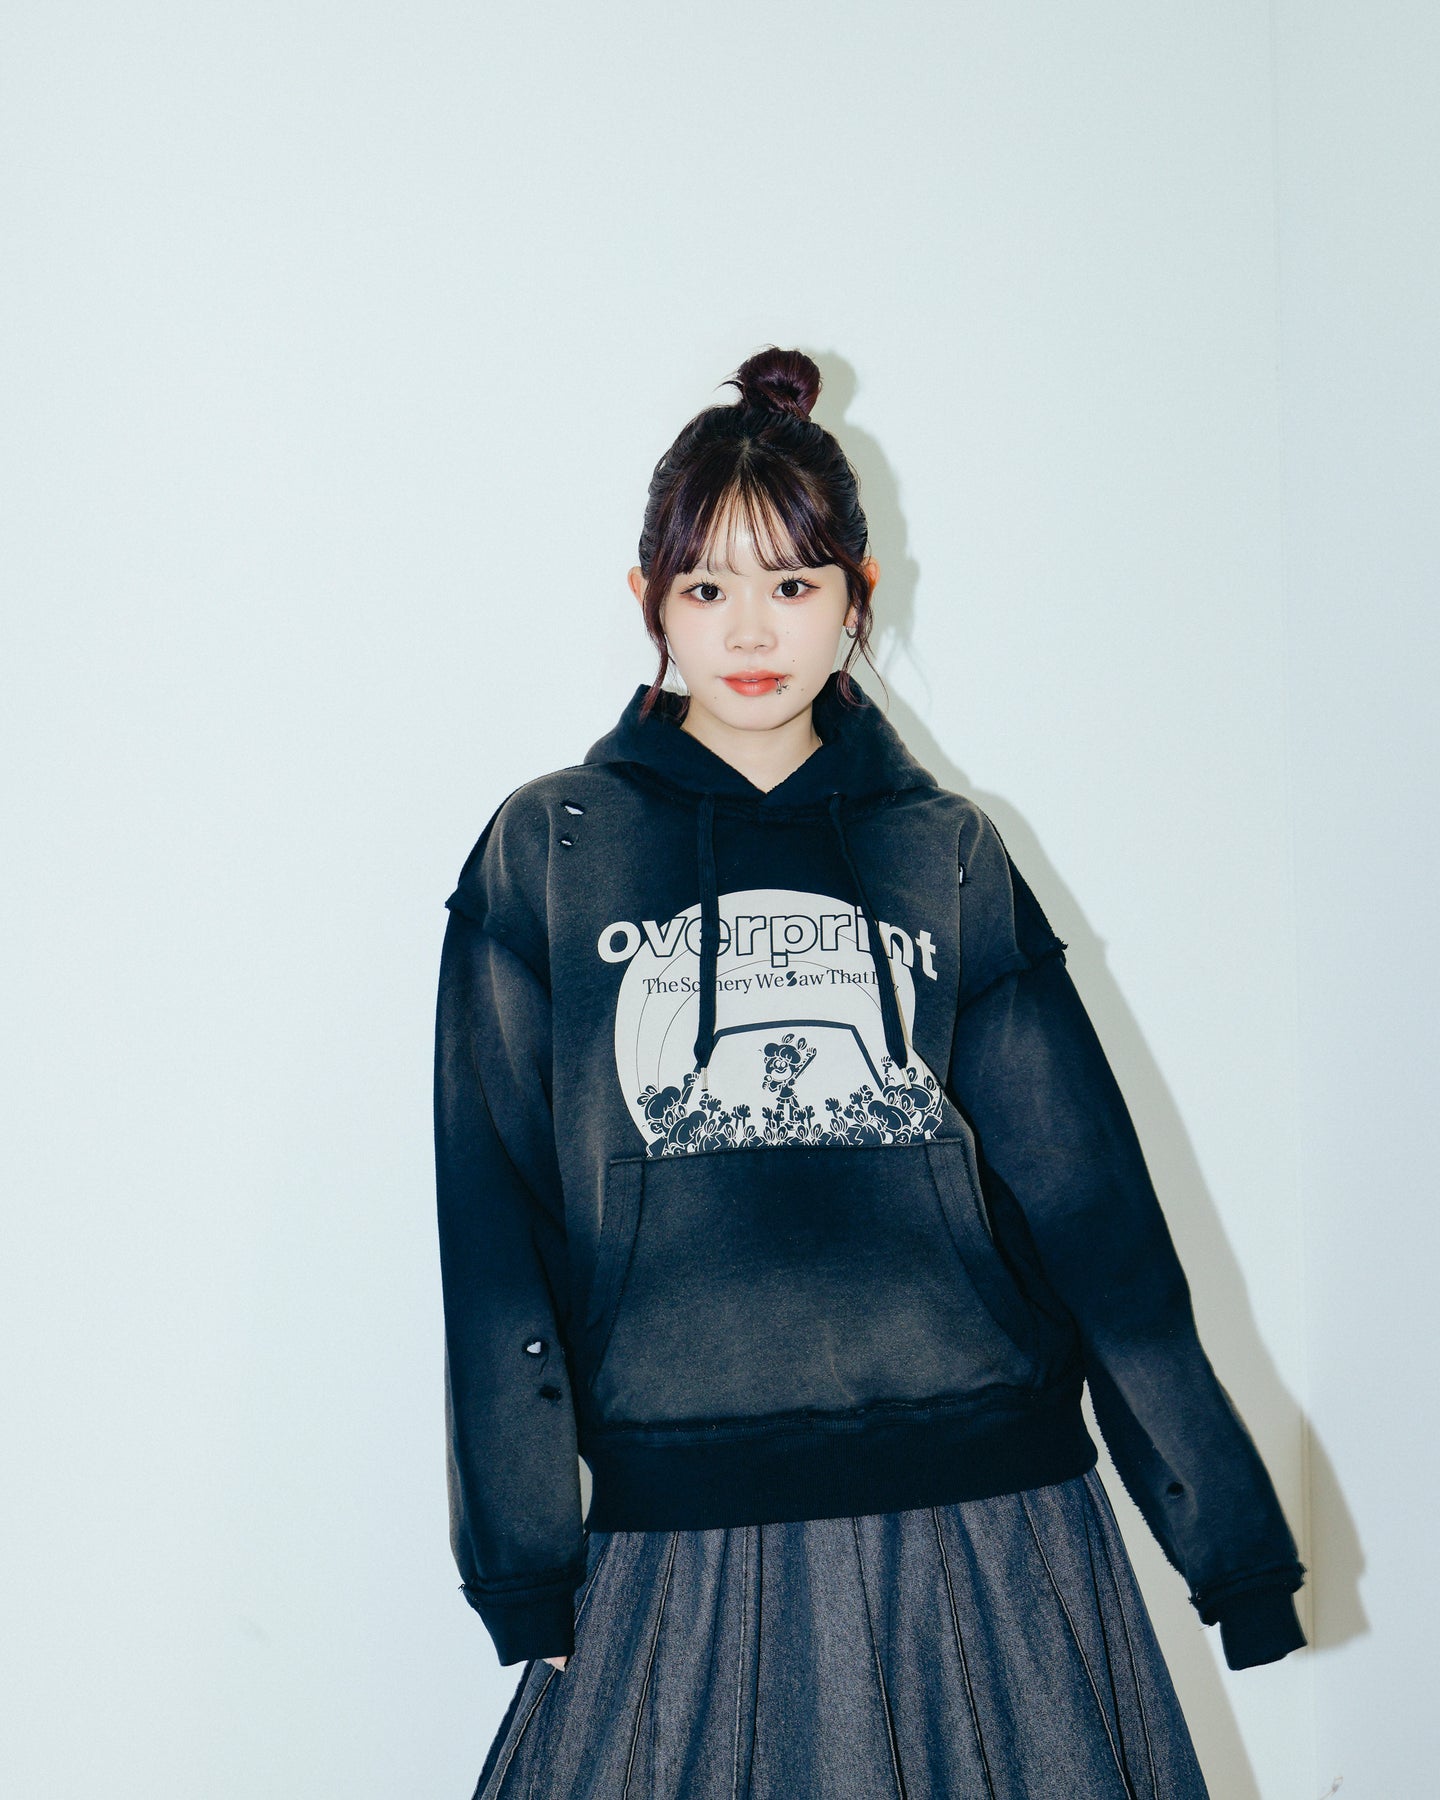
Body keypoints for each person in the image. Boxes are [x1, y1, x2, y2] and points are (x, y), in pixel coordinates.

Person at [433, 347, 1306, 1799]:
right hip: (681, 1526)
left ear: (858, 594)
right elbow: (493, 1228)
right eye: (705, 587)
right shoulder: (554, 851)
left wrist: (1231, 1549)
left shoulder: (942, 850)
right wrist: (525, 1559)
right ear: (646, 599)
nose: (749, 629)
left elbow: (1090, 1212)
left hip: (987, 1519)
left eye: (792, 582)